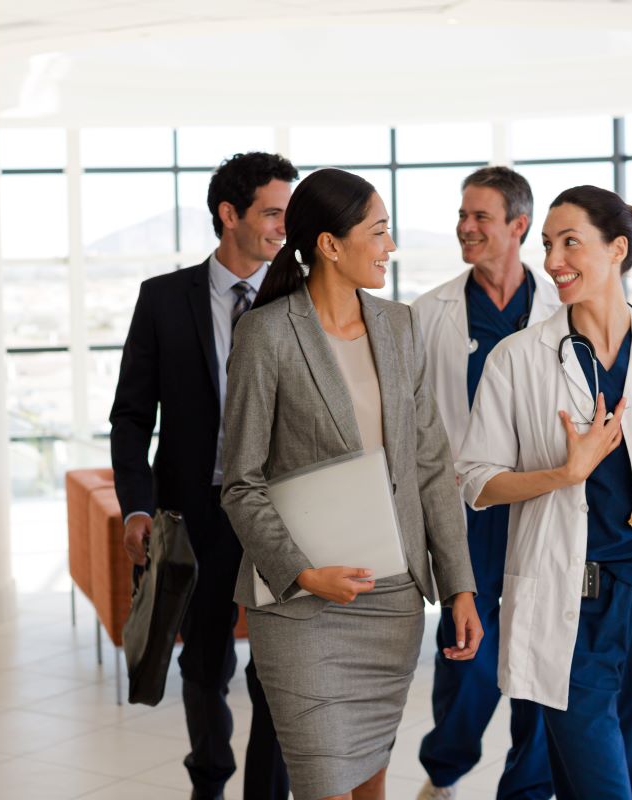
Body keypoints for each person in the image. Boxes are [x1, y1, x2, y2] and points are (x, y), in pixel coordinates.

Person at [456, 185, 632, 800]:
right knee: (604, 788)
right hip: (566, 601)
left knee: (630, 781)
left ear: (618, 250)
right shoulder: (518, 359)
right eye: (549, 244)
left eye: (570, 242)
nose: (553, 260)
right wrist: (564, 473)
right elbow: (475, 480)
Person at [221, 168, 483, 800]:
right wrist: (303, 573)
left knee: (368, 784)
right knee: (325, 786)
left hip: (391, 603)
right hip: (303, 607)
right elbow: (240, 482)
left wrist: (460, 587)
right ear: (330, 245)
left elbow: (429, 465)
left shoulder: (398, 326)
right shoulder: (266, 334)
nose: (389, 247)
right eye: (379, 231)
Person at [109, 151, 297, 800]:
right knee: (202, 664)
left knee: (275, 671)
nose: (283, 227)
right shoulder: (163, 300)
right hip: (197, 514)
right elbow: (131, 417)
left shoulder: (297, 297)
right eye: (272, 213)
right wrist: (137, 508)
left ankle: (267, 793)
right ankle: (209, 782)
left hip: (277, 515)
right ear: (229, 215)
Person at [412, 166, 559, 800]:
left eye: (481, 218)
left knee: (539, 655)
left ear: (518, 227)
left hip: (543, 505)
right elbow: (410, 421)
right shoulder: (429, 313)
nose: (466, 228)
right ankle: (444, 771)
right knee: (466, 661)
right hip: (468, 512)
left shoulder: (562, 307)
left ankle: (526, 789)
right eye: (462, 216)